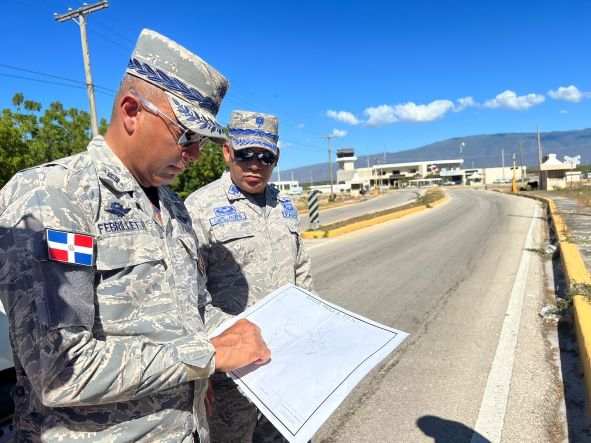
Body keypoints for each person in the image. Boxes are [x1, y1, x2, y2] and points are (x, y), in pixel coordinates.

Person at [0, 29, 270, 442]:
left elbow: (192, 311)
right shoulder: (54, 198)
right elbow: (61, 370)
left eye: (202, 141)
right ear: (131, 111)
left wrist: (249, 330)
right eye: (187, 136)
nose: (195, 155)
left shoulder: (172, 206)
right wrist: (208, 357)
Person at [185, 111, 314, 442]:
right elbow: (188, 297)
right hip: (230, 374)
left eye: (264, 156)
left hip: (285, 361)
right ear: (227, 152)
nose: (255, 164)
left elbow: (301, 273)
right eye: (245, 155)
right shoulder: (199, 208)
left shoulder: (285, 206)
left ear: (276, 158)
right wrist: (203, 370)